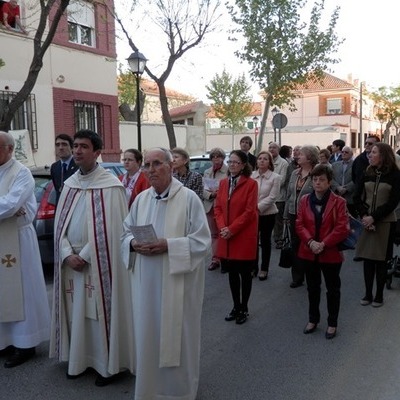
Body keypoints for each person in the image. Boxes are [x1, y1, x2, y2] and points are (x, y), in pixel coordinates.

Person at [121, 147, 211, 400]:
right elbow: (125, 232)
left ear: (171, 167)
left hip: (177, 285)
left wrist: (168, 245)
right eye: (147, 165)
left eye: (157, 164)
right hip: (147, 285)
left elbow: (202, 242)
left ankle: (179, 392)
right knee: (149, 334)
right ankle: (149, 390)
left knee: (178, 337)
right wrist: (132, 244)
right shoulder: (141, 200)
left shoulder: (189, 199)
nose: (151, 170)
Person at [50, 129, 134, 386]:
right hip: (70, 262)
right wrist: (66, 253)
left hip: (98, 262)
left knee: (97, 312)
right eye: (75, 146)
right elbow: (60, 224)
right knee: (76, 312)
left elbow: (115, 229)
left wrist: (84, 255)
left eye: (83, 147)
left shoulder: (112, 186)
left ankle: (107, 365)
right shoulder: (70, 184)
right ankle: (79, 360)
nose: (77, 151)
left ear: (97, 152)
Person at [0, 131, 50, 368]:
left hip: (19, 239)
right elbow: (8, 206)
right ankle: (6, 341)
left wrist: (11, 208)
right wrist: (9, 208)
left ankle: (26, 344)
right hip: (2, 237)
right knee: (3, 293)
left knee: (23, 291)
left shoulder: (22, 173)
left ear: (9, 149)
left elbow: (11, 205)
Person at [296, 164, 349, 339]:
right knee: (312, 288)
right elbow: (299, 224)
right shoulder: (304, 200)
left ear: (329, 182)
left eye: (322, 180)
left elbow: (342, 228)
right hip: (308, 251)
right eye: (315, 179)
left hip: (330, 253)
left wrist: (323, 244)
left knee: (333, 289)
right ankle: (313, 319)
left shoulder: (339, 202)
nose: (317, 183)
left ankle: (332, 323)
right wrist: (311, 242)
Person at [214, 150, 258, 324]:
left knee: (245, 275)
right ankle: (235, 306)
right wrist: (222, 227)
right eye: (230, 161)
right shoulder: (224, 183)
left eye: (235, 162)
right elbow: (218, 208)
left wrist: (231, 229)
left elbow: (249, 211)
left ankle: (244, 308)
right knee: (232, 274)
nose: (231, 164)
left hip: (242, 236)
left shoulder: (251, 184)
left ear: (243, 165)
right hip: (227, 236)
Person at [353, 142, 400, 308]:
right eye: (370, 152)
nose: (369, 155)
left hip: (385, 222)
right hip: (366, 222)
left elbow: (393, 202)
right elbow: (357, 197)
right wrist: (365, 216)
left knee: (381, 261)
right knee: (367, 260)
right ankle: (367, 294)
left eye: (373, 152)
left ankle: (379, 295)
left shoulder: (395, 175)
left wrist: (374, 217)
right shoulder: (367, 172)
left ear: (383, 155)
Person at [284, 145, 319, 288]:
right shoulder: (295, 173)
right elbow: (289, 195)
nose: (298, 156)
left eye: (301, 154)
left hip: (310, 216)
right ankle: (297, 276)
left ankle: (312, 273)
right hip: (293, 213)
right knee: (295, 244)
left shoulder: (317, 173)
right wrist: (286, 214)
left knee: (309, 243)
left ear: (310, 157)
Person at [252, 151, 281, 280]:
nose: (262, 161)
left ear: (270, 162)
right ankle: (253, 267)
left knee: (265, 242)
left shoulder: (275, 177)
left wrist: (257, 208)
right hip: (251, 214)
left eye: (265, 159)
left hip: (267, 214)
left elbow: (273, 197)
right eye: (260, 158)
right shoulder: (251, 176)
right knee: (252, 242)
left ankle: (264, 269)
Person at [203, 147, 228, 271]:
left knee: (223, 232)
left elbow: (230, 188)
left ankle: (224, 258)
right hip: (209, 205)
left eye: (218, 156)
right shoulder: (207, 171)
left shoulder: (228, 170)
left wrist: (219, 193)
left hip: (222, 206)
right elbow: (202, 188)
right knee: (213, 234)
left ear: (223, 158)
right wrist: (210, 194)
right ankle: (215, 259)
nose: (215, 159)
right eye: (213, 156)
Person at [268, 142, 288, 249]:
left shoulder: (283, 163)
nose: (271, 149)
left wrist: (268, 184)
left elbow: (283, 180)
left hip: (279, 196)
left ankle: (278, 239)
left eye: (274, 148)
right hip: (265, 196)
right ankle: (264, 238)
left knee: (278, 220)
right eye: (270, 147)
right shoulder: (266, 161)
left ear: (278, 150)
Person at [50, 134, 78, 204]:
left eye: (64, 144)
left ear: (72, 148)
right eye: (57, 145)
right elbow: (58, 191)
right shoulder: (54, 167)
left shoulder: (79, 166)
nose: (60, 148)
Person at [331, 146, 356, 217]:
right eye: (342, 152)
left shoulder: (355, 165)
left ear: (351, 154)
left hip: (350, 198)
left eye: (346, 152)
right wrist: (337, 187)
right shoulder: (334, 165)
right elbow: (331, 178)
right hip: (337, 195)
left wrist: (346, 188)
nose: (344, 153)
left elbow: (357, 179)